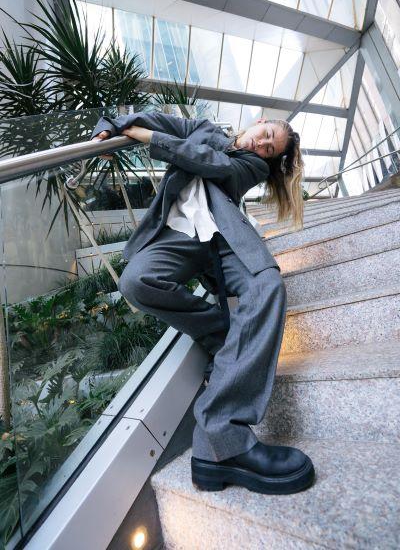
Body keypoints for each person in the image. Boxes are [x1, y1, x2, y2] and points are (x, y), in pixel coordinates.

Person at [90, 110, 315, 495]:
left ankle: (222, 434)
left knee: (267, 287)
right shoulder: (205, 129)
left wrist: (149, 139)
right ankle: (222, 337)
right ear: (259, 121)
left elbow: (214, 165)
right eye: (266, 134)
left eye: (269, 148)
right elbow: (158, 119)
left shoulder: (251, 167)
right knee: (136, 282)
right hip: (176, 234)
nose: (262, 145)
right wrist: (109, 128)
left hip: (223, 239)